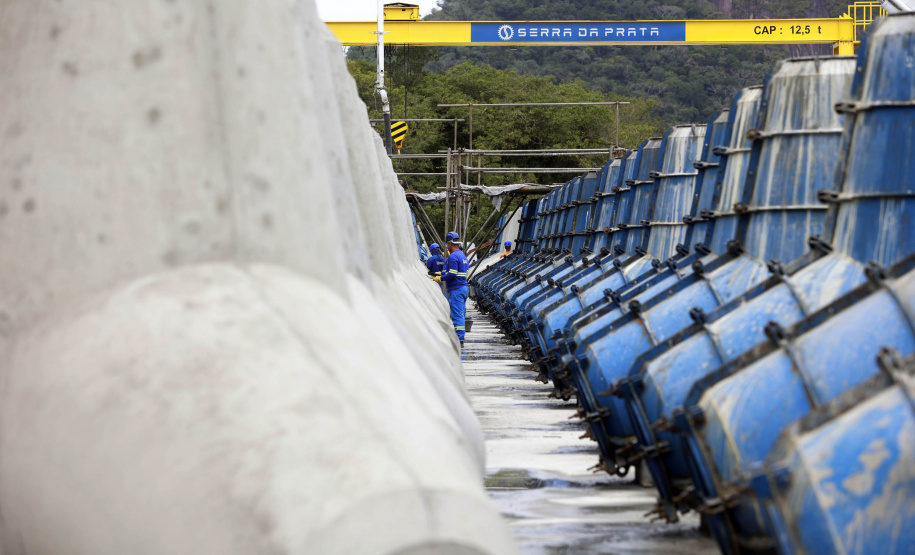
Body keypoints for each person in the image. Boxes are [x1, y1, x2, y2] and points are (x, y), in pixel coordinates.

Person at [434, 231, 470, 346]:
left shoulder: (453, 256)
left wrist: (440, 279)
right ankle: (458, 337)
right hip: (462, 288)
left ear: (450, 243)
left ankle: (460, 340)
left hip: (456, 289)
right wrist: (441, 273)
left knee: (457, 315)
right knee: (457, 312)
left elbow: (452, 274)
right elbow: (462, 271)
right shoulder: (462, 255)